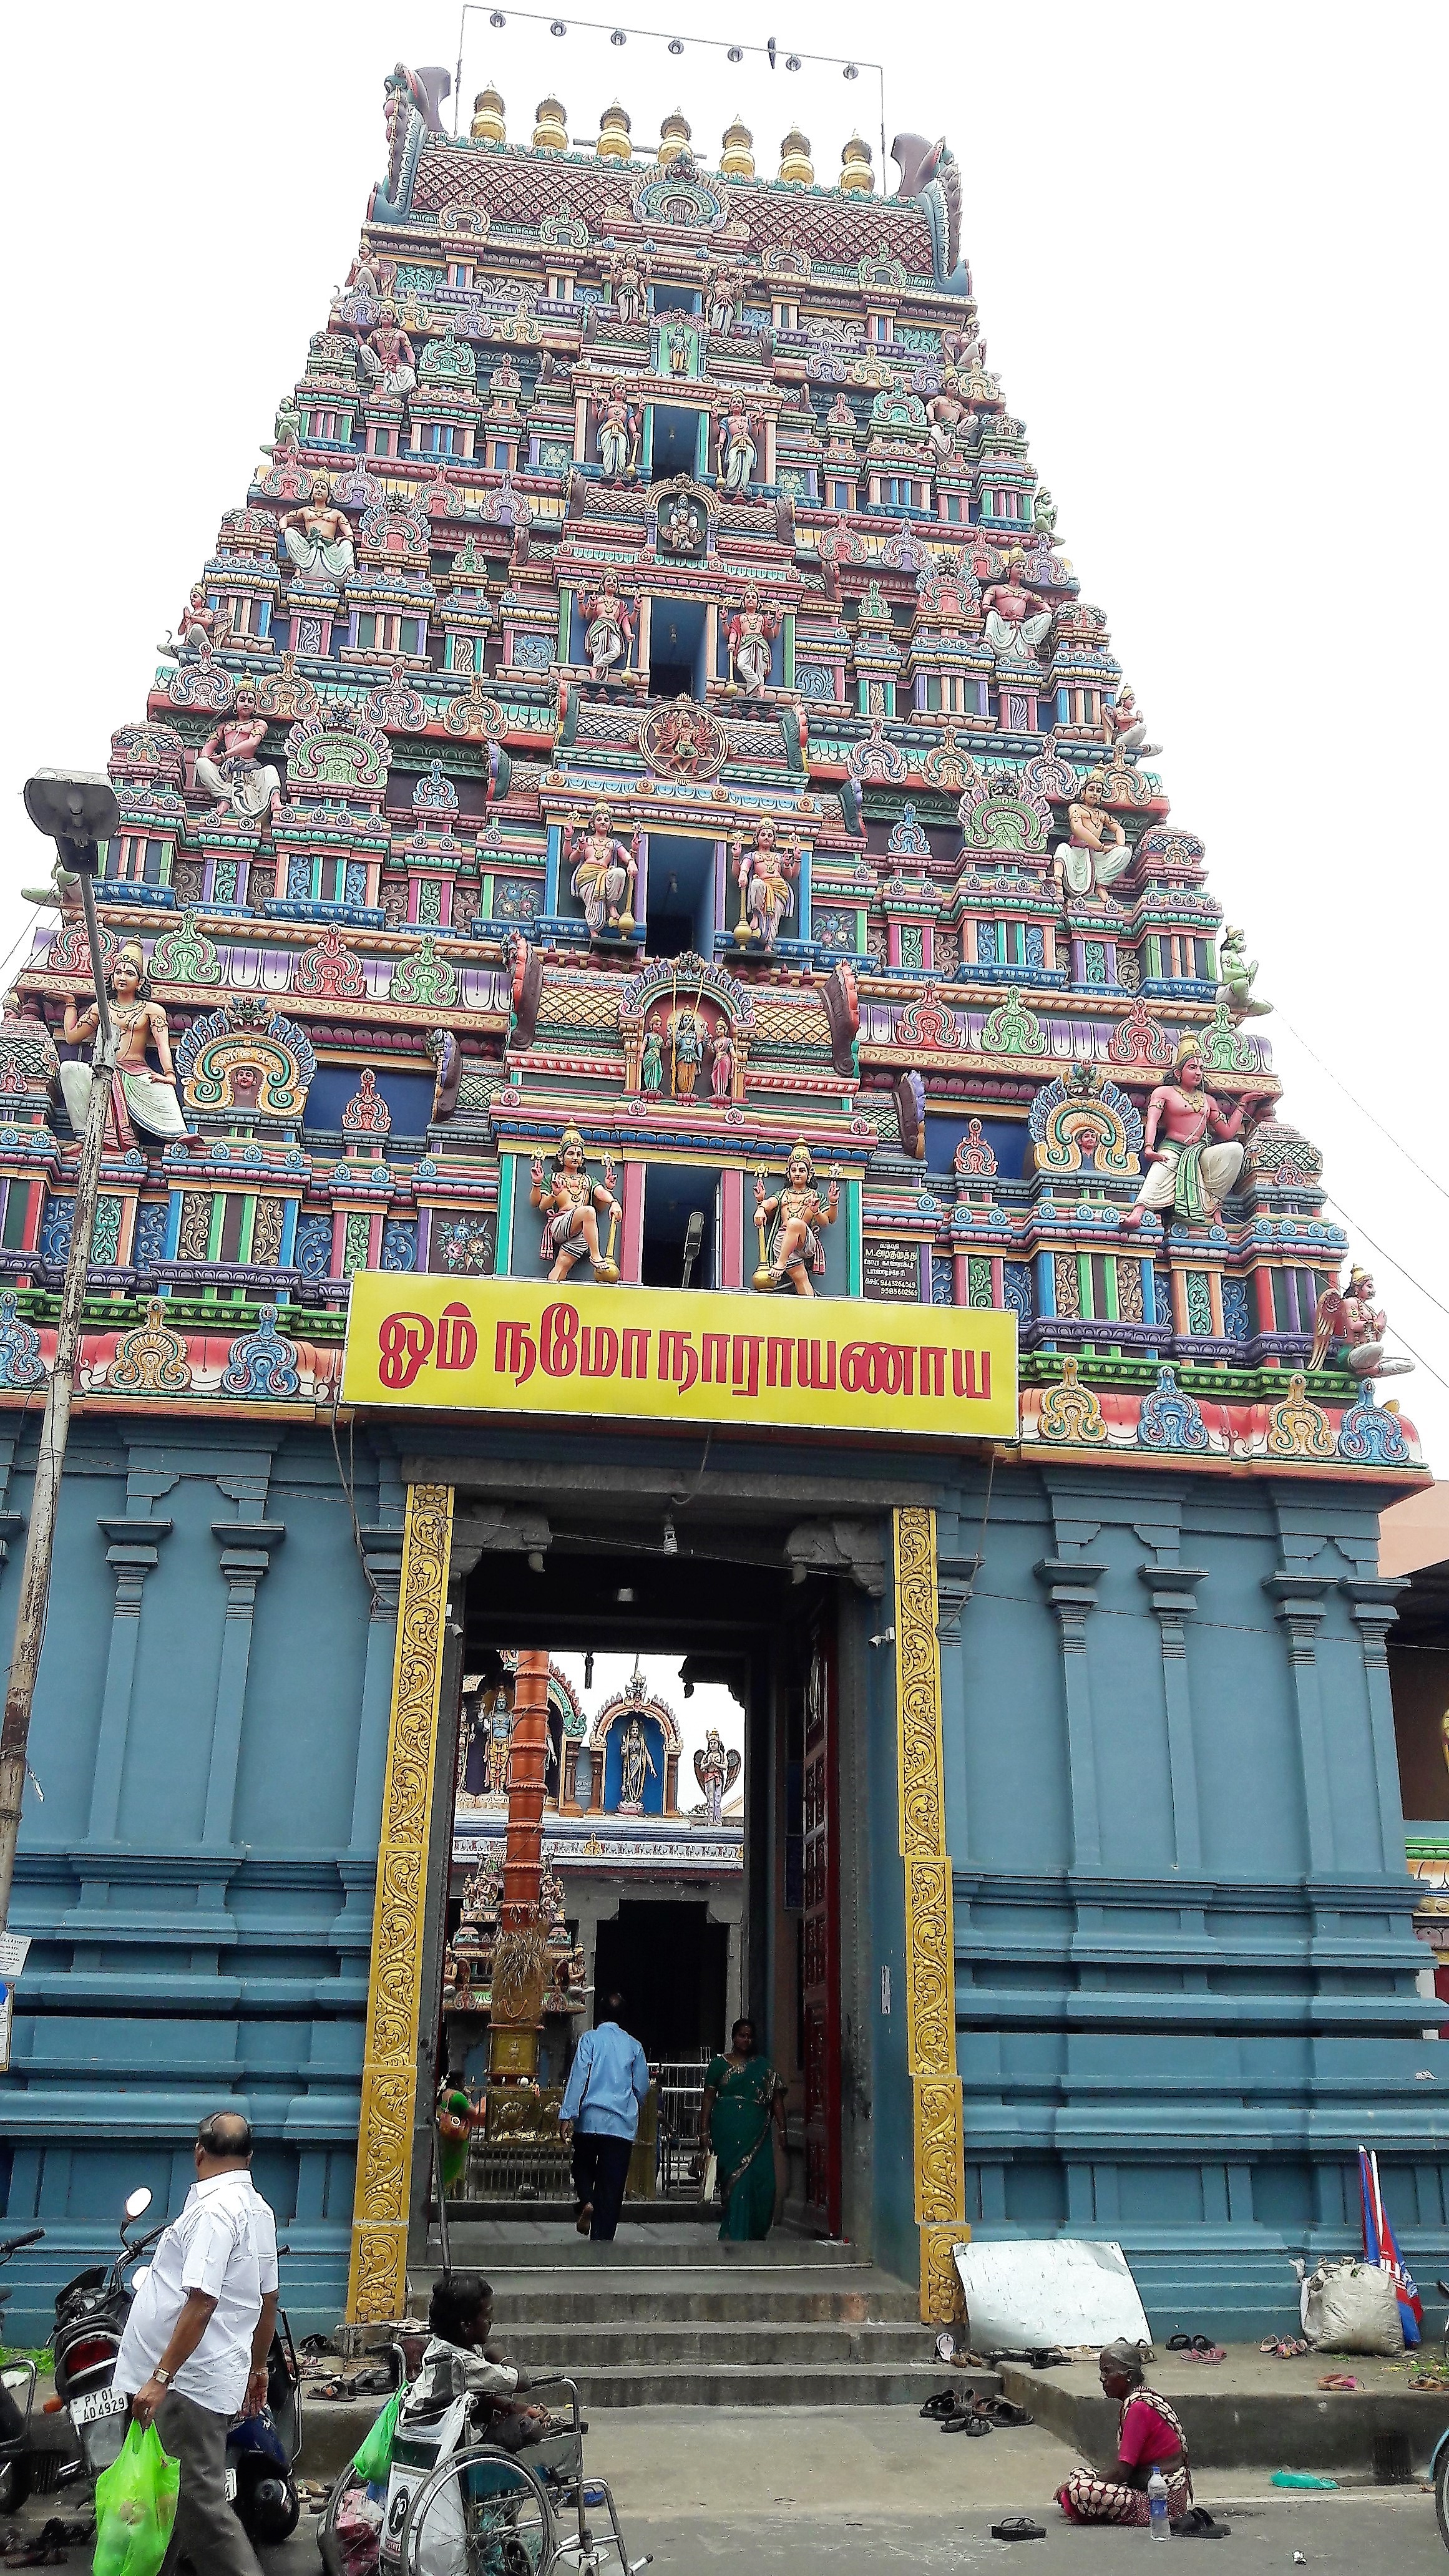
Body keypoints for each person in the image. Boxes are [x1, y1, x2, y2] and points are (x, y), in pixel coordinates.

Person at [113, 2112, 278, 2576]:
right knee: (159, 2500)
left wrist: (161, 2377)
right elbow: (268, 2299)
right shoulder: (257, 2208)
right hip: (206, 2374)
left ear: (199, 2152)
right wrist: (258, 2367)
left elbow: (202, 2302)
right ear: (249, 2157)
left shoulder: (213, 2211)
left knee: (198, 2504)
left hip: (188, 2383)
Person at [401, 2271, 549, 2454]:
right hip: (454, 2442)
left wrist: (516, 2407)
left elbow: (476, 2392)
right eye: (486, 2316)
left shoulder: (438, 2347)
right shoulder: (463, 2363)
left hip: (427, 2431)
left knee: (507, 2412)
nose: (491, 2322)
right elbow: (523, 2381)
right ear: (466, 2326)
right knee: (527, 2427)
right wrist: (499, 2354)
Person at [1055, 2340, 1193, 2527]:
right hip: (1147, 2483)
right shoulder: (1140, 2400)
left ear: (1128, 2376)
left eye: (1107, 2371)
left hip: (1160, 2496)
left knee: (1079, 2490)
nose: (1102, 2378)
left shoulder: (1138, 2407)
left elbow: (1121, 2473)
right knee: (1078, 2475)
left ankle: (1131, 2511)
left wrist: (1081, 2485)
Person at [559, 1993, 650, 2243]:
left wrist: (568, 2114)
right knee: (613, 2184)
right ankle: (603, 2237)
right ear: (623, 2017)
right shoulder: (634, 2046)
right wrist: (632, 2104)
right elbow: (642, 2086)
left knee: (582, 2165)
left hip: (590, 2119)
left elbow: (579, 2077)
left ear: (599, 2014)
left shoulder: (589, 2040)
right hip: (621, 2124)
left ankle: (587, 2199)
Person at [701, 2019, 786, 2242]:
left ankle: (756, 2230)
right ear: (733, 2037)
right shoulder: (719, 2065)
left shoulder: (764, 2067)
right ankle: (735, 2232)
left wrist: (784, 2130)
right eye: (741, 2035)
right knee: (737, 2184)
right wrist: (704, 2132)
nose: (746, 2040)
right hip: (727, 2132)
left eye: (750, 2036)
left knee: (764, 2184)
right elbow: (708, 2099)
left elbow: (777, 2100)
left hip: (757, 2132)